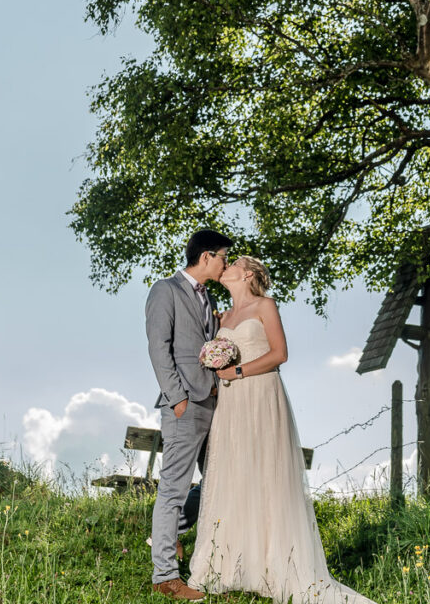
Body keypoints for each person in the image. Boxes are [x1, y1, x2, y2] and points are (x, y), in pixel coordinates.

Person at [188, 255, 376, 604]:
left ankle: (276, 564)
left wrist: (240, 372)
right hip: (231, 403)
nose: (223, 267)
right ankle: (231, 564)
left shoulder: (265, 306)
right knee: (234, 473)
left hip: (261, 394)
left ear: (246, 274)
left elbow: (280, 354)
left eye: (230, 264)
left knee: (266, 473)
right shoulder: (221, 317)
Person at [145, 228, 232, 601]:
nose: (226, 263)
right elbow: (158, 347)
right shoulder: (165, 290)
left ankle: (179, 529)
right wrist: (177, 397)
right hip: (183, 404)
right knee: (173, 488)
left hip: (214, 402)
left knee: (219, 478)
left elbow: (209, 342)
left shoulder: (207, 296)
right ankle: (165, 575)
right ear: (207, 256)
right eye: (224, 256)